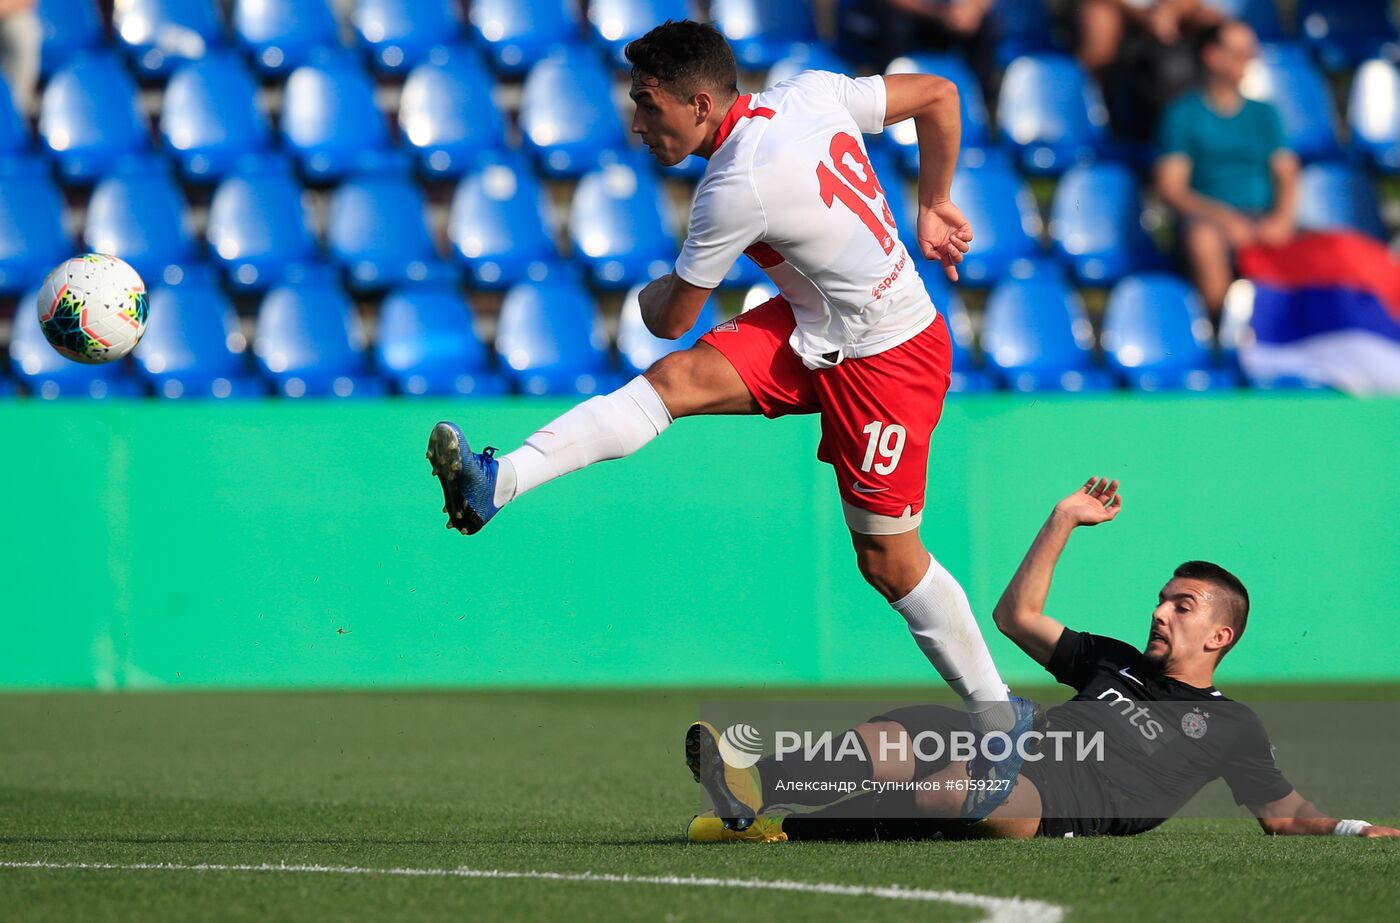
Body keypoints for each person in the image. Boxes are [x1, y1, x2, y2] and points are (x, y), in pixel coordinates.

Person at [426, 19, 1036, 820]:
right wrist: (935, 203)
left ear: (702, 102)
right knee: (674, 384)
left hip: (891, 355)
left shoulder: (735, 183)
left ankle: (999, 715)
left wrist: (643, 294)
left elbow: (671, 314)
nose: (638, 124)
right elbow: (940, 94)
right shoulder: (808, 93)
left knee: (888, 562)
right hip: (818, 323)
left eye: (648, 106)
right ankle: (496, 482)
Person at [686, 477, 1400, 842]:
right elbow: (1014, 618)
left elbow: (1282, 814)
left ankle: (787, 828)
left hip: (1063, 802)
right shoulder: (1114, 660)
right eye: (1162, 598)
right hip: (1018, 740)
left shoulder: (1231, 723)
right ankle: (747, 786)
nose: (1160, 610)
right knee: (898, 734)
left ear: (1220, 637)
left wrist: (1345, 827)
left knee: (961, 791)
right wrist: (1062, 520)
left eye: (1182, 606)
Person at [1155, 21, 1299, 320]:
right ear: (1213, 56)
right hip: (1209, 219)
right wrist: (1225, 219)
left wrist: (1281, 220)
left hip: (1262, 217)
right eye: (1239, 51)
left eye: (1251, 52)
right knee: (1204, 240)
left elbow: (1286, 173)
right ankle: (1224, 331)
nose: (1249, 59)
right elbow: (1172, 188)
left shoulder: (1265, 114)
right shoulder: (1183, 114)